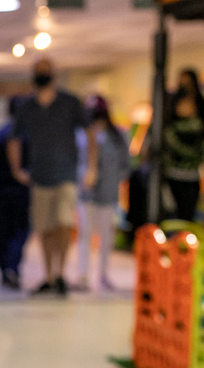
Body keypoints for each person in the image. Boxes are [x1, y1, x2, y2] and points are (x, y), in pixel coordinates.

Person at [8, 57, 94, 296]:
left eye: (46, 70)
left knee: (64, 224)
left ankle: (61, 273)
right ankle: (49, 275)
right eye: (38, 71)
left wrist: (91, 168)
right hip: (40, 176)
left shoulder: (70, 102)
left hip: (66, 174)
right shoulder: (27, 108)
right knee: (44, 228)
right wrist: (18, 170)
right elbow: (13, 139)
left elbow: (90, 134)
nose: (42, 74)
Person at [77, 95, 128, 291]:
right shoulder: (82, 134)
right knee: (85, 233)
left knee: (106, 235)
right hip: (87, 192)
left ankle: (103, 274)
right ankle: (83, 274)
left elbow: (125, 164)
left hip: (107, 192)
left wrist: (115, 180)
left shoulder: (117, 136)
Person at [0, 97, 31, 290]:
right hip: (22, 191)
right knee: (20, 230)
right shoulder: (30, 137)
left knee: (0, 231)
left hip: (0, 190)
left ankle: (5, 268)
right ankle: (13, 266)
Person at [162, 68, 204, 223]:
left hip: (192, 177)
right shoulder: (168, 115)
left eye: (188, 84)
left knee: (186, 219)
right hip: (170, 175)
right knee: (169, 218)